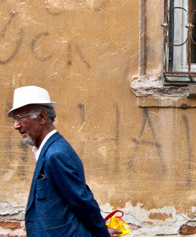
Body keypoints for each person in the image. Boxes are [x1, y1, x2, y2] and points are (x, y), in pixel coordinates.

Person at [8, 86, 121, 237]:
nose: (16, 125)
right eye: (15, 119)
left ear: (42, 117)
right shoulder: (51, 150)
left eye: (21, 117)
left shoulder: (56, 154)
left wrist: (102, 232)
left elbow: (82, 201)